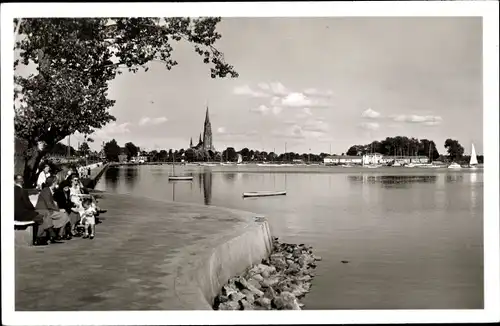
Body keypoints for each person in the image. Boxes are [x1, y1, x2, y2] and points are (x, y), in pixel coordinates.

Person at [14, 174, 58, 245]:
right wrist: (33, 209)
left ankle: (48, 234)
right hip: (21, 214)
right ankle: (39, 237)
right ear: (22, 182)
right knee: (40, 217)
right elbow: (28, 204)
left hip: (14, 214)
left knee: (41, 215)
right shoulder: (22, 191)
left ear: (15, 181)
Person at [35, 176, 71, 240]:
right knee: (64, 215)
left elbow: (51, 204)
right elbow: (49, 204)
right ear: (53, 183)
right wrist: (59, 210)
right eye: (56, 182)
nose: (56, 184)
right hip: (44, 210)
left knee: (65, 215)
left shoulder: (49, 190)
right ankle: (58, 234)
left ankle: (59, 234)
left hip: (48, 210)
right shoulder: (46, 190)